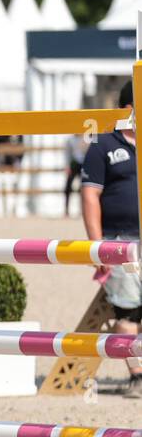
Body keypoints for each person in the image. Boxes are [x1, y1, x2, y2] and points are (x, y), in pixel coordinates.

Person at [80, 80, 142, 397]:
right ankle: (137, 376)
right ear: (127, 109)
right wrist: (97, 246)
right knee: (128, 311)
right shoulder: (104, 144)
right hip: (120, 241)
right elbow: (90, 195)